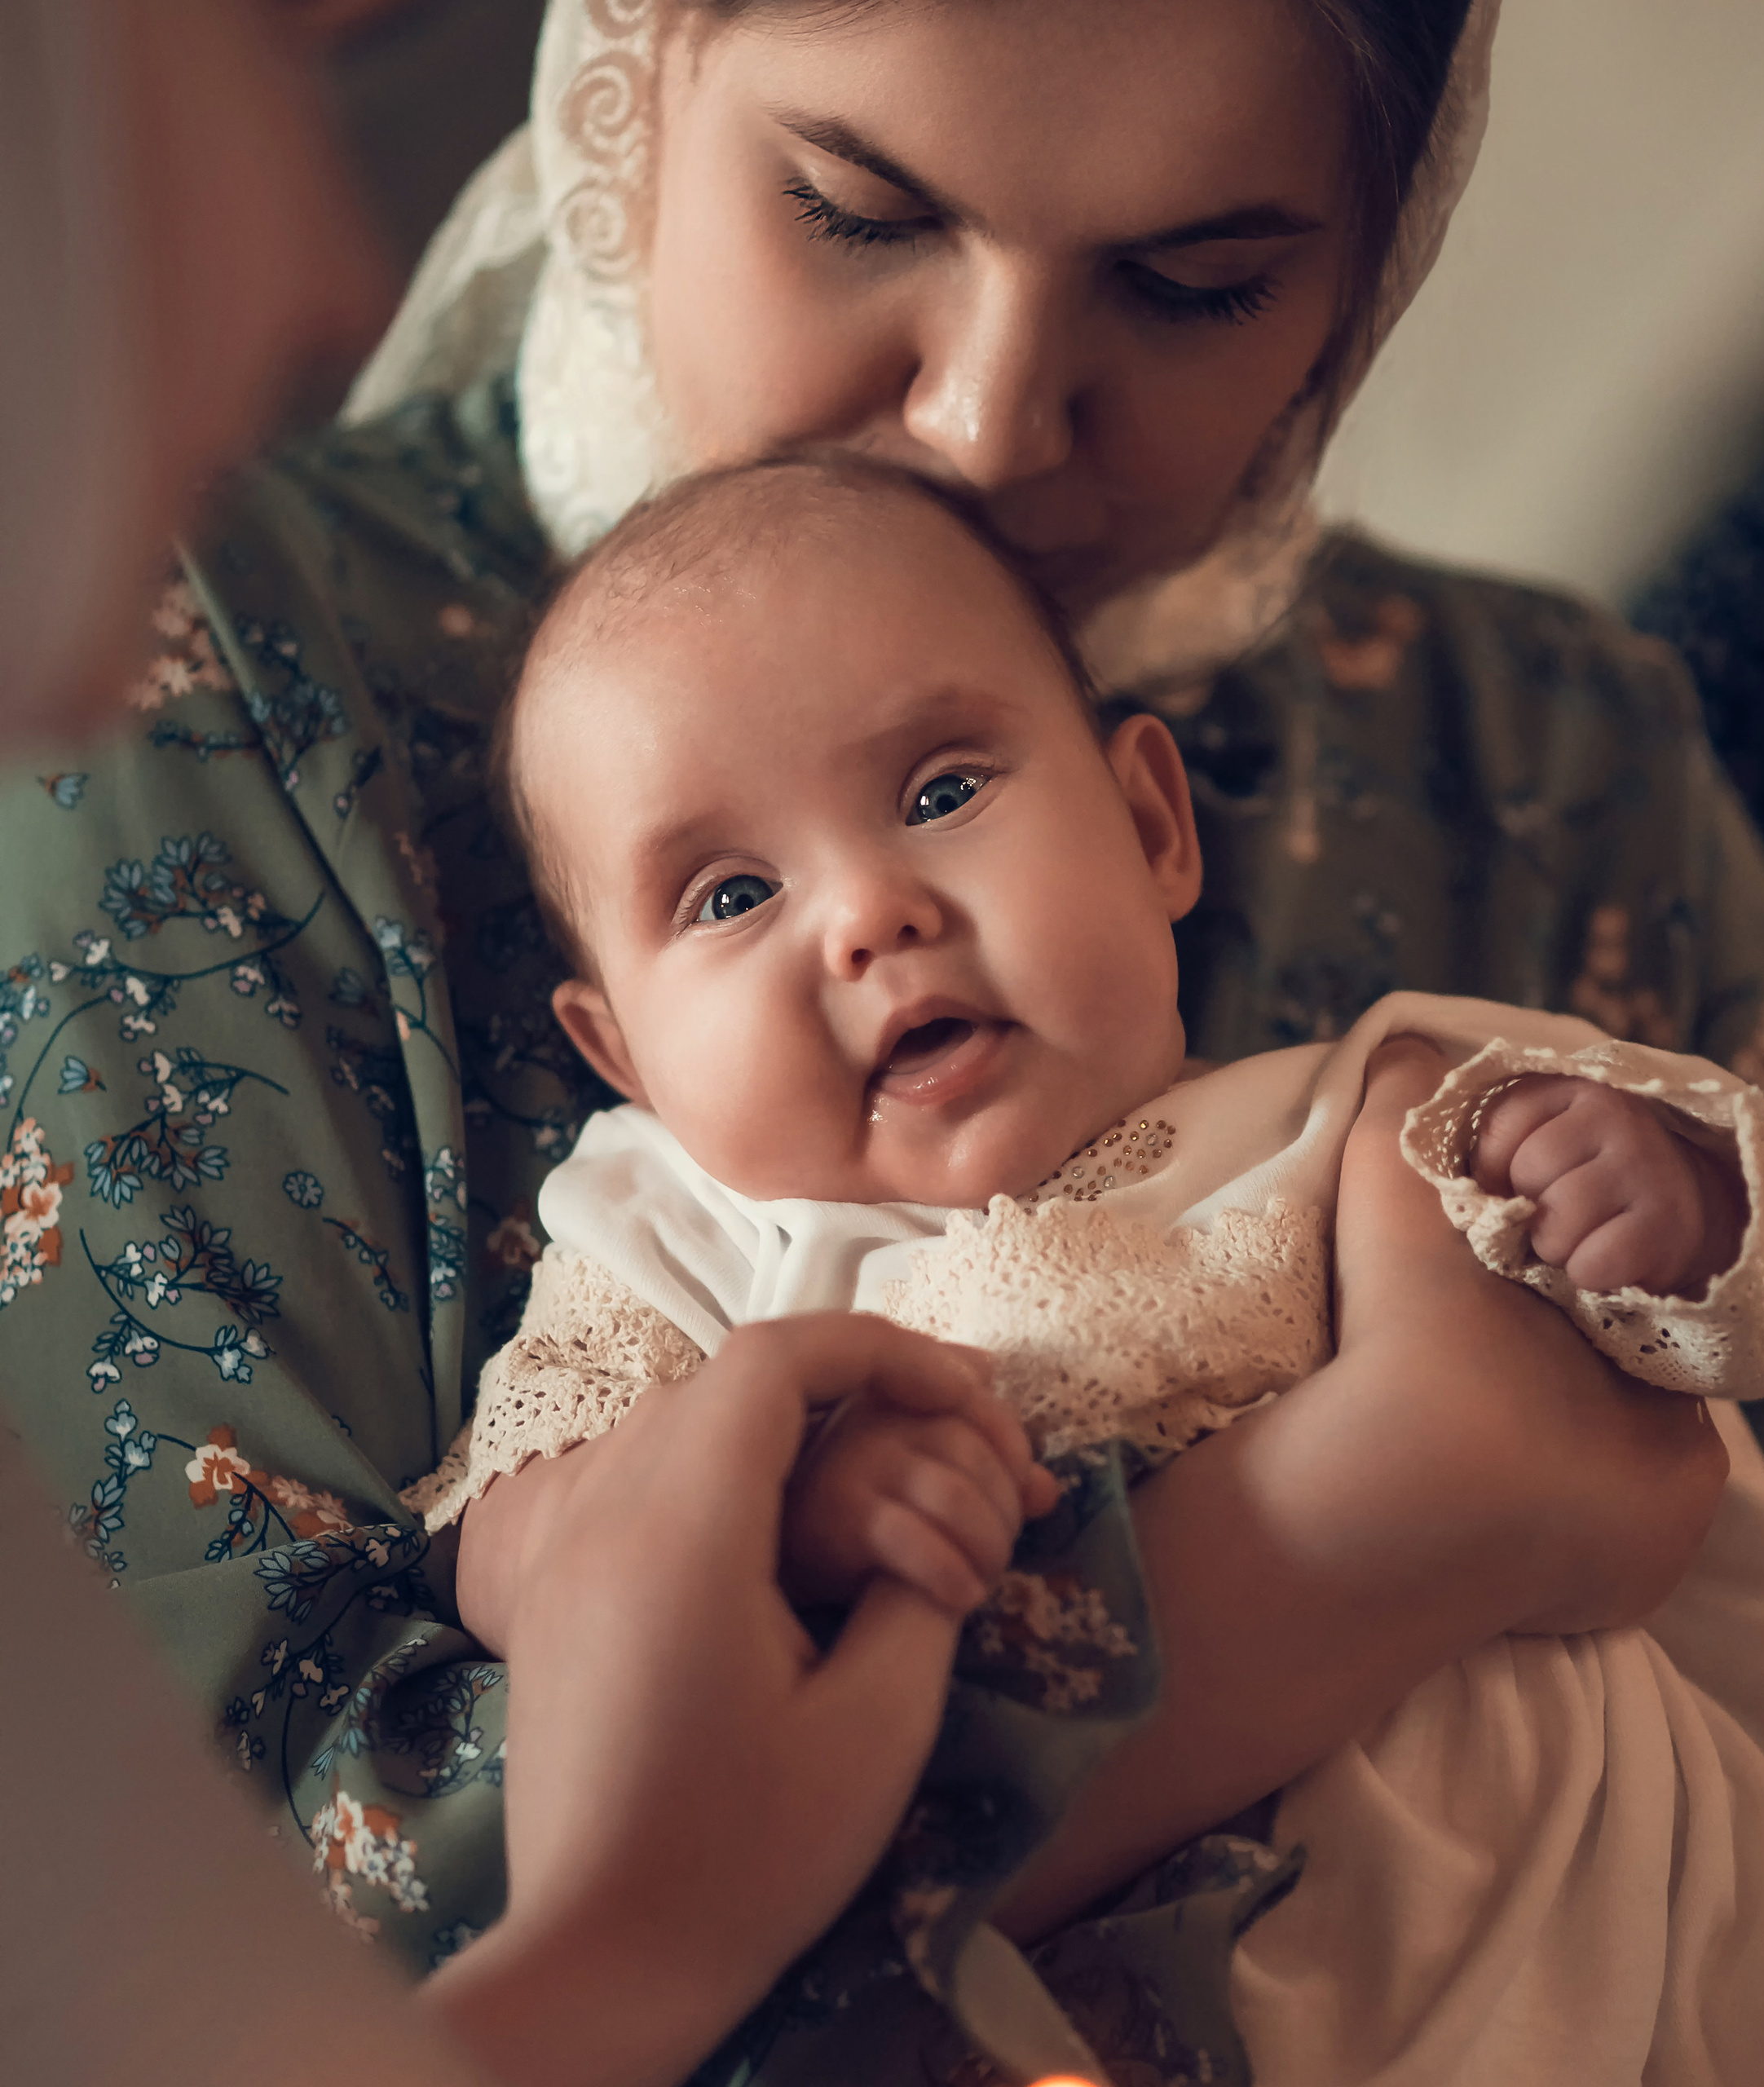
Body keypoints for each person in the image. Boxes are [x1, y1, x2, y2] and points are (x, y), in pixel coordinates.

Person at [0, 0, 1764, 2076]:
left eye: (1191, 284)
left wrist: (1673, 1218)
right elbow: (285, 1895)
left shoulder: (1541, 754)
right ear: (635, 65)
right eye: (854, 212)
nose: (984, 421)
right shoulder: (152, 672)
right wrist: (1378, 1523)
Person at [0, 6, 1081, 2087]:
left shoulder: (1520, 799)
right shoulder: (235, 711)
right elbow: (464, 1584)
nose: (339, 263)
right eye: (250, 63)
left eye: (1203, 278)